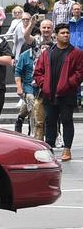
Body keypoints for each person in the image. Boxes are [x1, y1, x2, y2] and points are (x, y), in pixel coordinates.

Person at [34, 23, 83, 161]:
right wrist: (44, 85)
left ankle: (67, 149)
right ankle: (49, 149)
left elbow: (80, 72)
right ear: (56, 35)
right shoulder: (47, 53)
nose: (66, 35)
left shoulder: (76, 53)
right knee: (50, 121)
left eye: (67, 33)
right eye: (63, 33)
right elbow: (38, 72)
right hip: (49, 93)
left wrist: (69, 84)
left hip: (67, 93)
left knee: (67, 120)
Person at [22, 17, 54, 140]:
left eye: (49, 27)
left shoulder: (57, 42)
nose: (46, 30)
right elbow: (26, 37)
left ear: (52, 29)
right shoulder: (36, 41)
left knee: (53, 118)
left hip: (54, 82)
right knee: (38, 118)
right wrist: (31, 25)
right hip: (38, 84)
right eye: (44, 27)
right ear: (40, 29)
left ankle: (52, 140)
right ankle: (39, 143)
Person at [14, 35, 44, 135]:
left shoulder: (46, 55)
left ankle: (20, 118)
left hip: (42, 86)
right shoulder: (25, 55)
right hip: (28, 86)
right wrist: (19, 87)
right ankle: (33, 133)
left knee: (36, 108)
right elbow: (17, 72)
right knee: (32, 106)